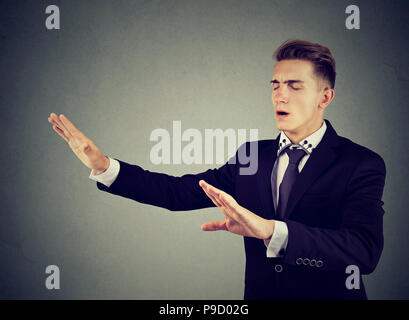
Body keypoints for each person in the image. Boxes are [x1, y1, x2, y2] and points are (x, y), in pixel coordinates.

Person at [48, 39, 386, 299]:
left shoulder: (361, 164)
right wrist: (105, 166)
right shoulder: (252, 156)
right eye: (275, 85)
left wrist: (272, 231)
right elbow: (177, 192)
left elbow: (362, 251)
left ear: (325, 97)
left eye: (294, 86)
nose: (280, 97)